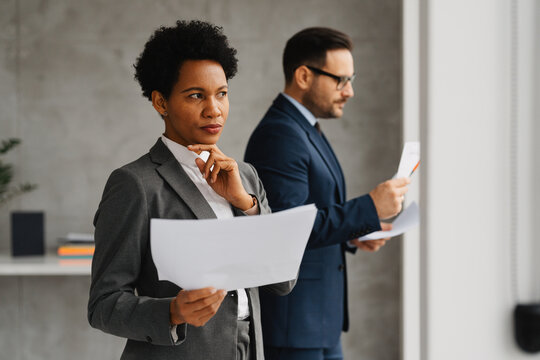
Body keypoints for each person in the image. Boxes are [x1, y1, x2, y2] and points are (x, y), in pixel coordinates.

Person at [88, 20, 295, 360]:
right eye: (196, 95)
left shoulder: (246, 176)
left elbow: (282, 282)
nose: (214, 109)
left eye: (222, 94)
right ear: (160, 102)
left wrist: (245, 204)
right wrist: (173, 312)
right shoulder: (135, 184)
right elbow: (103, 305)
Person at [244, 27, 410, 360]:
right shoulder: (280, 133)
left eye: (351, 79)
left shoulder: (304, 127)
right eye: (341, 80)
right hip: (295, 325)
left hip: (317, 322)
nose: (349, 91)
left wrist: (354, 235)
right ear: (304, 75)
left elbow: (311, 212)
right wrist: (369, 209)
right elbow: (287, 226)